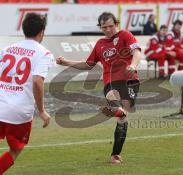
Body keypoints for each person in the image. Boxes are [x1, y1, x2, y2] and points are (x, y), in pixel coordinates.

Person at [56, 12, 141, 164]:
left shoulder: (125, 35)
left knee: (123, 115)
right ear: (100, 27)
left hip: (130, 80)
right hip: (111, 82)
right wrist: (66, 62)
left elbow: (137, 52)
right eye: (104, 27)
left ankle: (118, 111)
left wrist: (133, 65)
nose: (108, 30)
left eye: (110, 26)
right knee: (114, 99)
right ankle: (115, 155)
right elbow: (88, 64)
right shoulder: (100, 44)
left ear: (116, 24)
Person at [0, 13, 54, 174]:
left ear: (23, 29)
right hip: (19, 113)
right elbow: (37, 81)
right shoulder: (44, 54)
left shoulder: (6, 50)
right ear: (41, 32)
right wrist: (42, 111)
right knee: (15, 150)